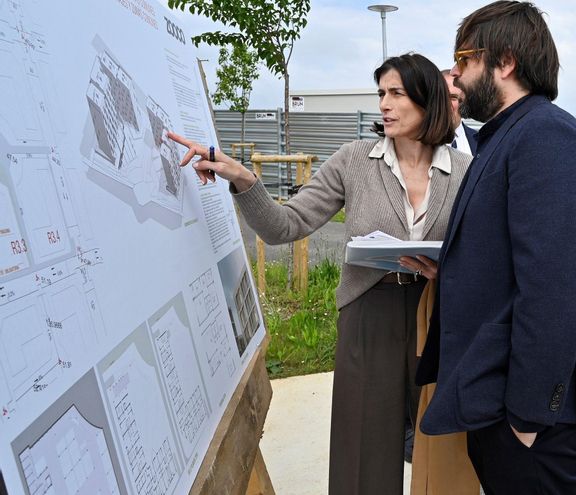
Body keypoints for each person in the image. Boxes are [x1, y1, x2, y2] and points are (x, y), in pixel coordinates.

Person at [169, 53, 471, 495]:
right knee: (363, 447)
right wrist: (240, 177)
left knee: (444, 443)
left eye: (396, 94)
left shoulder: (463, 171)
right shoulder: (354, 160)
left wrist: (448, 271)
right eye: (381, 94)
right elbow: (283, 227)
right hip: (370, 311)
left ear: (428, 101)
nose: (384, 104)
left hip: (437, 311)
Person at [412, 2, 576, 493]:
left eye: (465, 58)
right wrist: (452, 270)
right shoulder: (505, 136)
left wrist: (528, 416)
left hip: (525, 411)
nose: (454, 73)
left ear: (506, 62)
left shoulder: (547, 135)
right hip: (496, 393)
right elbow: (508, 255)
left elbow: (556, 288)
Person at [442, 69, 477, 155]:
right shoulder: (417, 142)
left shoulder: (481, 141)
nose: (446, 104)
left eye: (453, 97)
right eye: (441, 96)